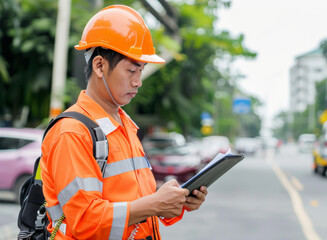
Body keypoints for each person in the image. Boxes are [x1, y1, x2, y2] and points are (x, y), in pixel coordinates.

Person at [40, 5, 207, 240]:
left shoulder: (124, 125)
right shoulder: (72, 132)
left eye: (141, 71)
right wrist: (154, 204)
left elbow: (135, 203)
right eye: (131, 70)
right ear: (99, 66)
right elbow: (85, 221)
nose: (138, 82)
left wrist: (174, 201)